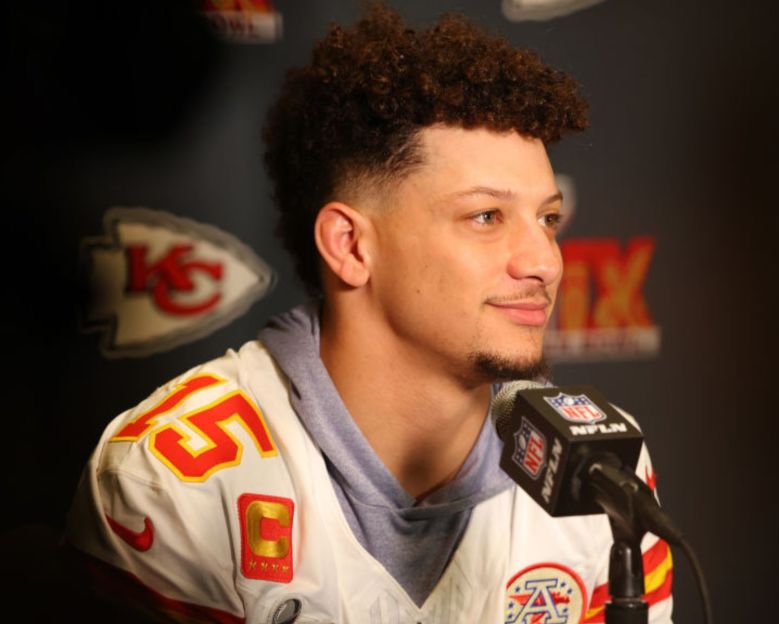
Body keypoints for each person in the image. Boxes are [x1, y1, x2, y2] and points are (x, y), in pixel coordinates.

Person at [66, 5, 673, 623]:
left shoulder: (602, 469)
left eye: (547, 219)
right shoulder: (171, 481)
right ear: (351, 247)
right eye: (486, 217)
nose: (545, 261)